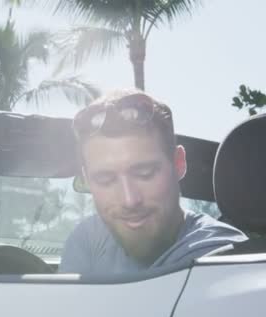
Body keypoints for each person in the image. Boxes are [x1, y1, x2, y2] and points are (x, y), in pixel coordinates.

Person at [59, 89, 248, 275]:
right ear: (87, 180)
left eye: (145, 173)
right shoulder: (87, 240)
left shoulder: (221, 256)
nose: (129, 200)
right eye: (105, 179)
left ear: (178, 163)